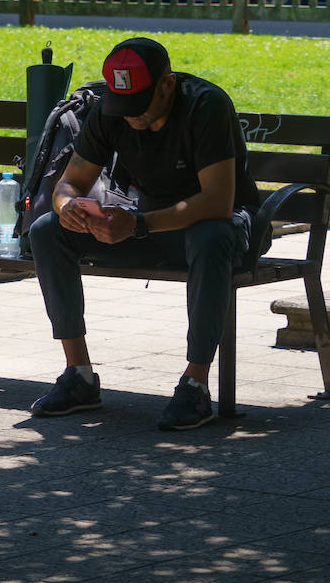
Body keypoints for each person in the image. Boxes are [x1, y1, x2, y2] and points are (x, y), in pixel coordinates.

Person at [27, 37, 261, 431]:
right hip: (148, 224)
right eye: (123, 106)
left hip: (220, 227)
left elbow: (218, 203)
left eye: (141, 105)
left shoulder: (206, 106)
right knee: (47, 231)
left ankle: (195, 384)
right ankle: (78, 374)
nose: (132, 116)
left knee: (210, 237)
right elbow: (70, 184)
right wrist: (69, 209)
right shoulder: (111, 111)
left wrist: (137, 224)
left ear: (167, 84)